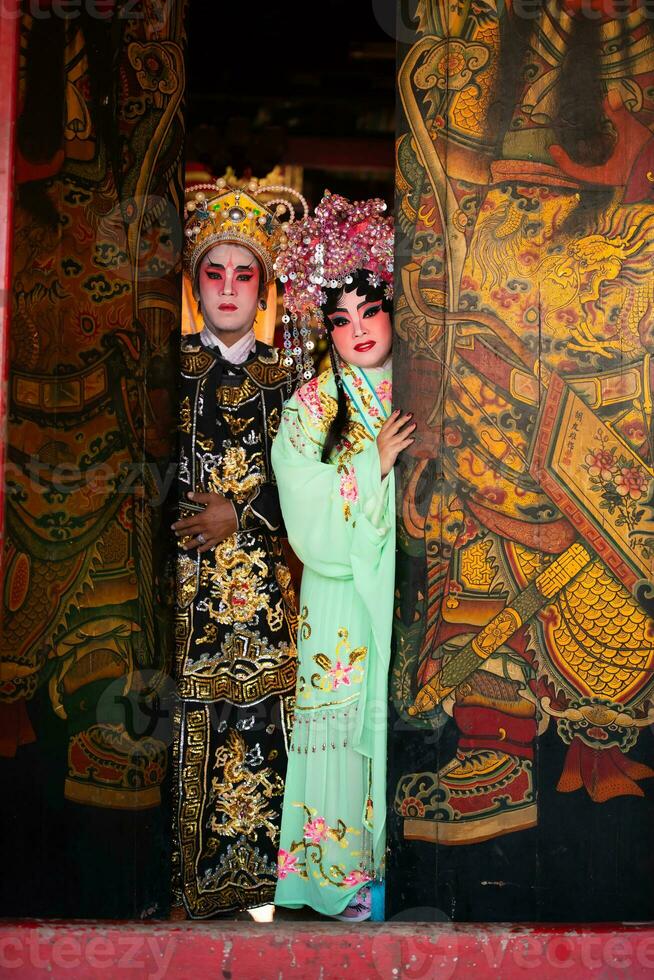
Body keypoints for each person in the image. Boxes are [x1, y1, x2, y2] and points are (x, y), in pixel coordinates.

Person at [271, 193, 414, 921]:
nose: (358, 330)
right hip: (339, 591)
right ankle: (339, 877)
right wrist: (372, 465)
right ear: (324, 328)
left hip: (408, 585)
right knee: (340, 714)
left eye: (371, 310)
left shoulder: (433, 387)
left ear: (394, 309)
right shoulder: (309, 407)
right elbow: (304, 503)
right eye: (341, 318)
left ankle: (408, 866)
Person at [171, 177, 306, 919]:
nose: (228, 289)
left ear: (265, 288)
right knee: (182, 726)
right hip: (183, 592)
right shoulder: (170, 370)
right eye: (214, 274)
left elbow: (315, 482)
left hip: (259, 594)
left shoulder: (291, 378)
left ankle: (264, 892)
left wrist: (241, 512)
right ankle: (183, 889)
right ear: (195, 287)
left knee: (258, 727)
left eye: (243, 275)